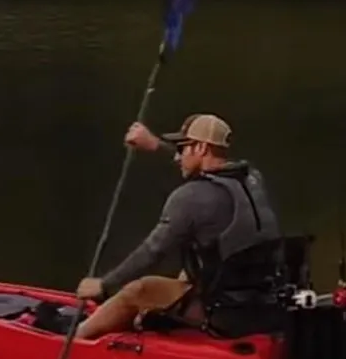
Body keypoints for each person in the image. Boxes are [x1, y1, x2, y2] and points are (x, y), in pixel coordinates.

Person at [73, 113, 282, 339]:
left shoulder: (189, 197)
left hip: (223, 313)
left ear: (201, 148)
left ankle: (77, 339)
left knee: (139, 290)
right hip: (260, 303)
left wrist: (104, 285)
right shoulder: (253, 179)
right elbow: (204, 173)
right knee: (188, 272)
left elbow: (152, 251)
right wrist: (155, 145)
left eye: (182, 148)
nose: (177, 157)